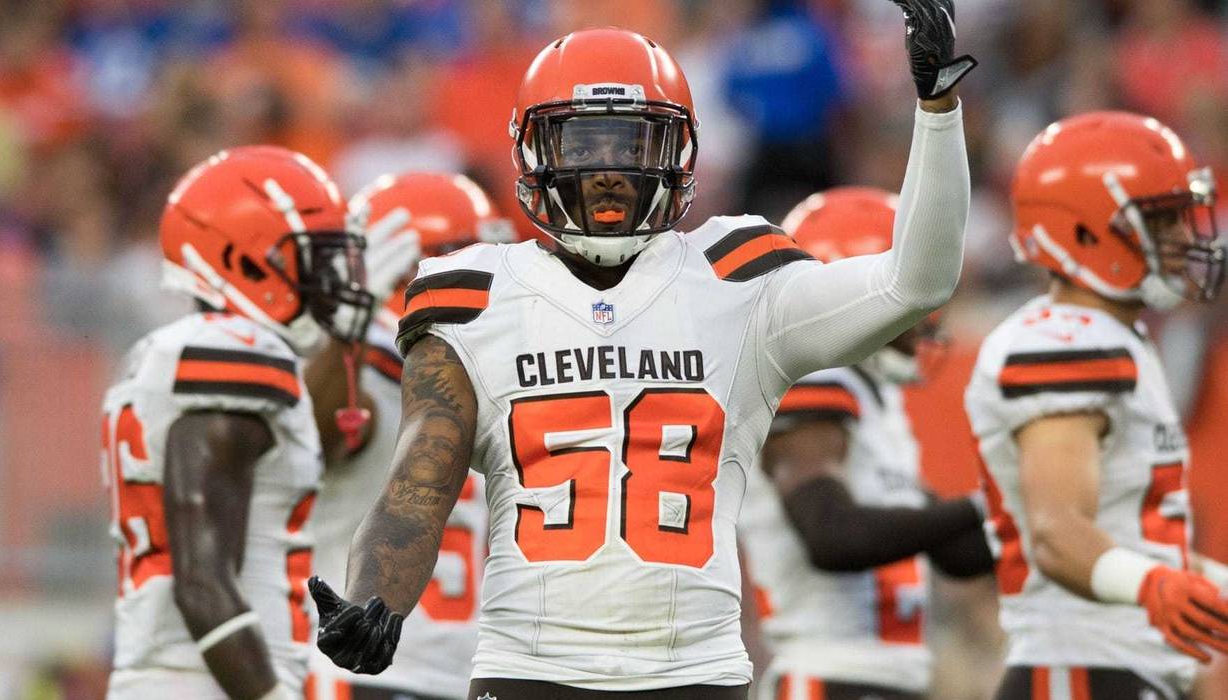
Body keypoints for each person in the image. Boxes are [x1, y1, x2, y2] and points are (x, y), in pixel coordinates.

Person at [311, 2, 977, 695]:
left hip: (695, 670)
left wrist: (937, 110)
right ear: (534, 150)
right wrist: (370, 597)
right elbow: (420, 484)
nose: (606, 169)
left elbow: (915, 284)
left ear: (678, 152)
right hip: (529, 669)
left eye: (631, 143)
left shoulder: (739, 279)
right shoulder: (472, 295)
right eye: (582, 143)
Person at [965, 111, 1228, 700]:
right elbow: (1058, 537)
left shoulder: (1119, 338)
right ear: (1085, 233)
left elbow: (1146, 548)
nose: (1185, 238)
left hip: (1123, 669)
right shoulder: (1063, 342)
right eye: (1161, 221)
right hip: (1080, 672)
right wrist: (1157, 586)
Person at [101, 145, 372, 700]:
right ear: (244, 261)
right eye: (313, 257)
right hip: (211, 683)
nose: (331, 275)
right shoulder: (236, 352)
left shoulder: (168, 354)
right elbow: (202, 585)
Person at [739, 187, 993, 700]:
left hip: (882, 679)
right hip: (826, 676)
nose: (927, 313)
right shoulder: (813, 380)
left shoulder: (874, 398)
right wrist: (979, 506)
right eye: (912, 284)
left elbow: (959, 553)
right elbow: (834, 536)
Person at [307, 171, 514, 700]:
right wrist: (342, 340)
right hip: (372, 669)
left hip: (483, 668)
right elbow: (313, 438)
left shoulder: (512, 367)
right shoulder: (359, 363)